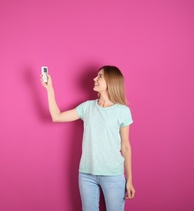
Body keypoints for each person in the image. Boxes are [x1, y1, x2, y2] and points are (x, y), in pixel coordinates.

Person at [40, 65, 135, 211]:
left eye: (100, 76)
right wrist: (49, 89)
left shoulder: (122, 111)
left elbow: (126, 146)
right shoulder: (87, 107)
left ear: (111, 80)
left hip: (113, 175)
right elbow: (56, 117)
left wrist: (129, 180)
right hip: (86, 174)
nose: (94, 79)